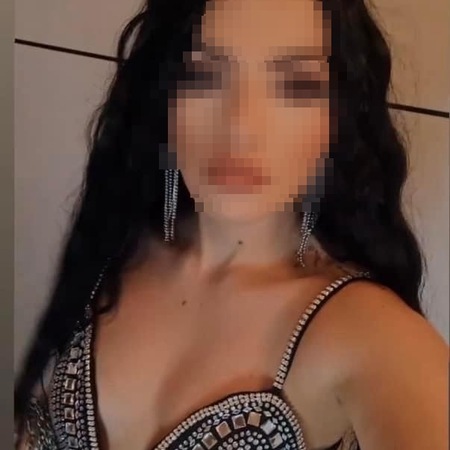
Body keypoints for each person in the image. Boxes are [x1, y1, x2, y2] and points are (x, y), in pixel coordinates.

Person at [14, 0, 448, 449]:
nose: (241, 127)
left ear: (336, 122)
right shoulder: (114, 247)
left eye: (295, 85)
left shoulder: (370, 335)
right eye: (205, 75)